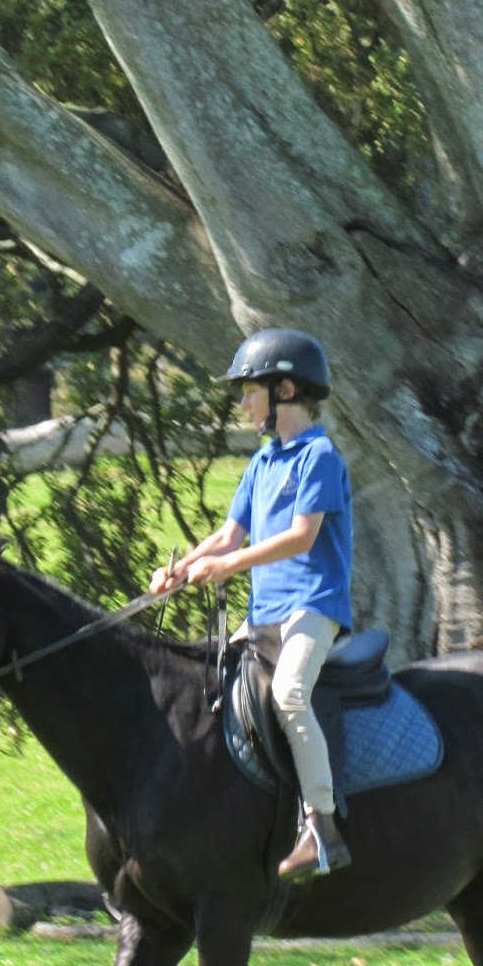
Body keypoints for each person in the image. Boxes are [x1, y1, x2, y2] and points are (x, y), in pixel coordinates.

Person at [149, 328, 353, 880]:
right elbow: (227, 536)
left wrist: (227, 567)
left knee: (289, 695)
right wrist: (183, 569)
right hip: (263, 613)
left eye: (248, 390)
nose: (241, 402)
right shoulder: (263, 463)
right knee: (204, 690)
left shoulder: (319, 457)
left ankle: (321, 830)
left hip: (313, 606)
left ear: (284, 389)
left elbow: (301, 537)